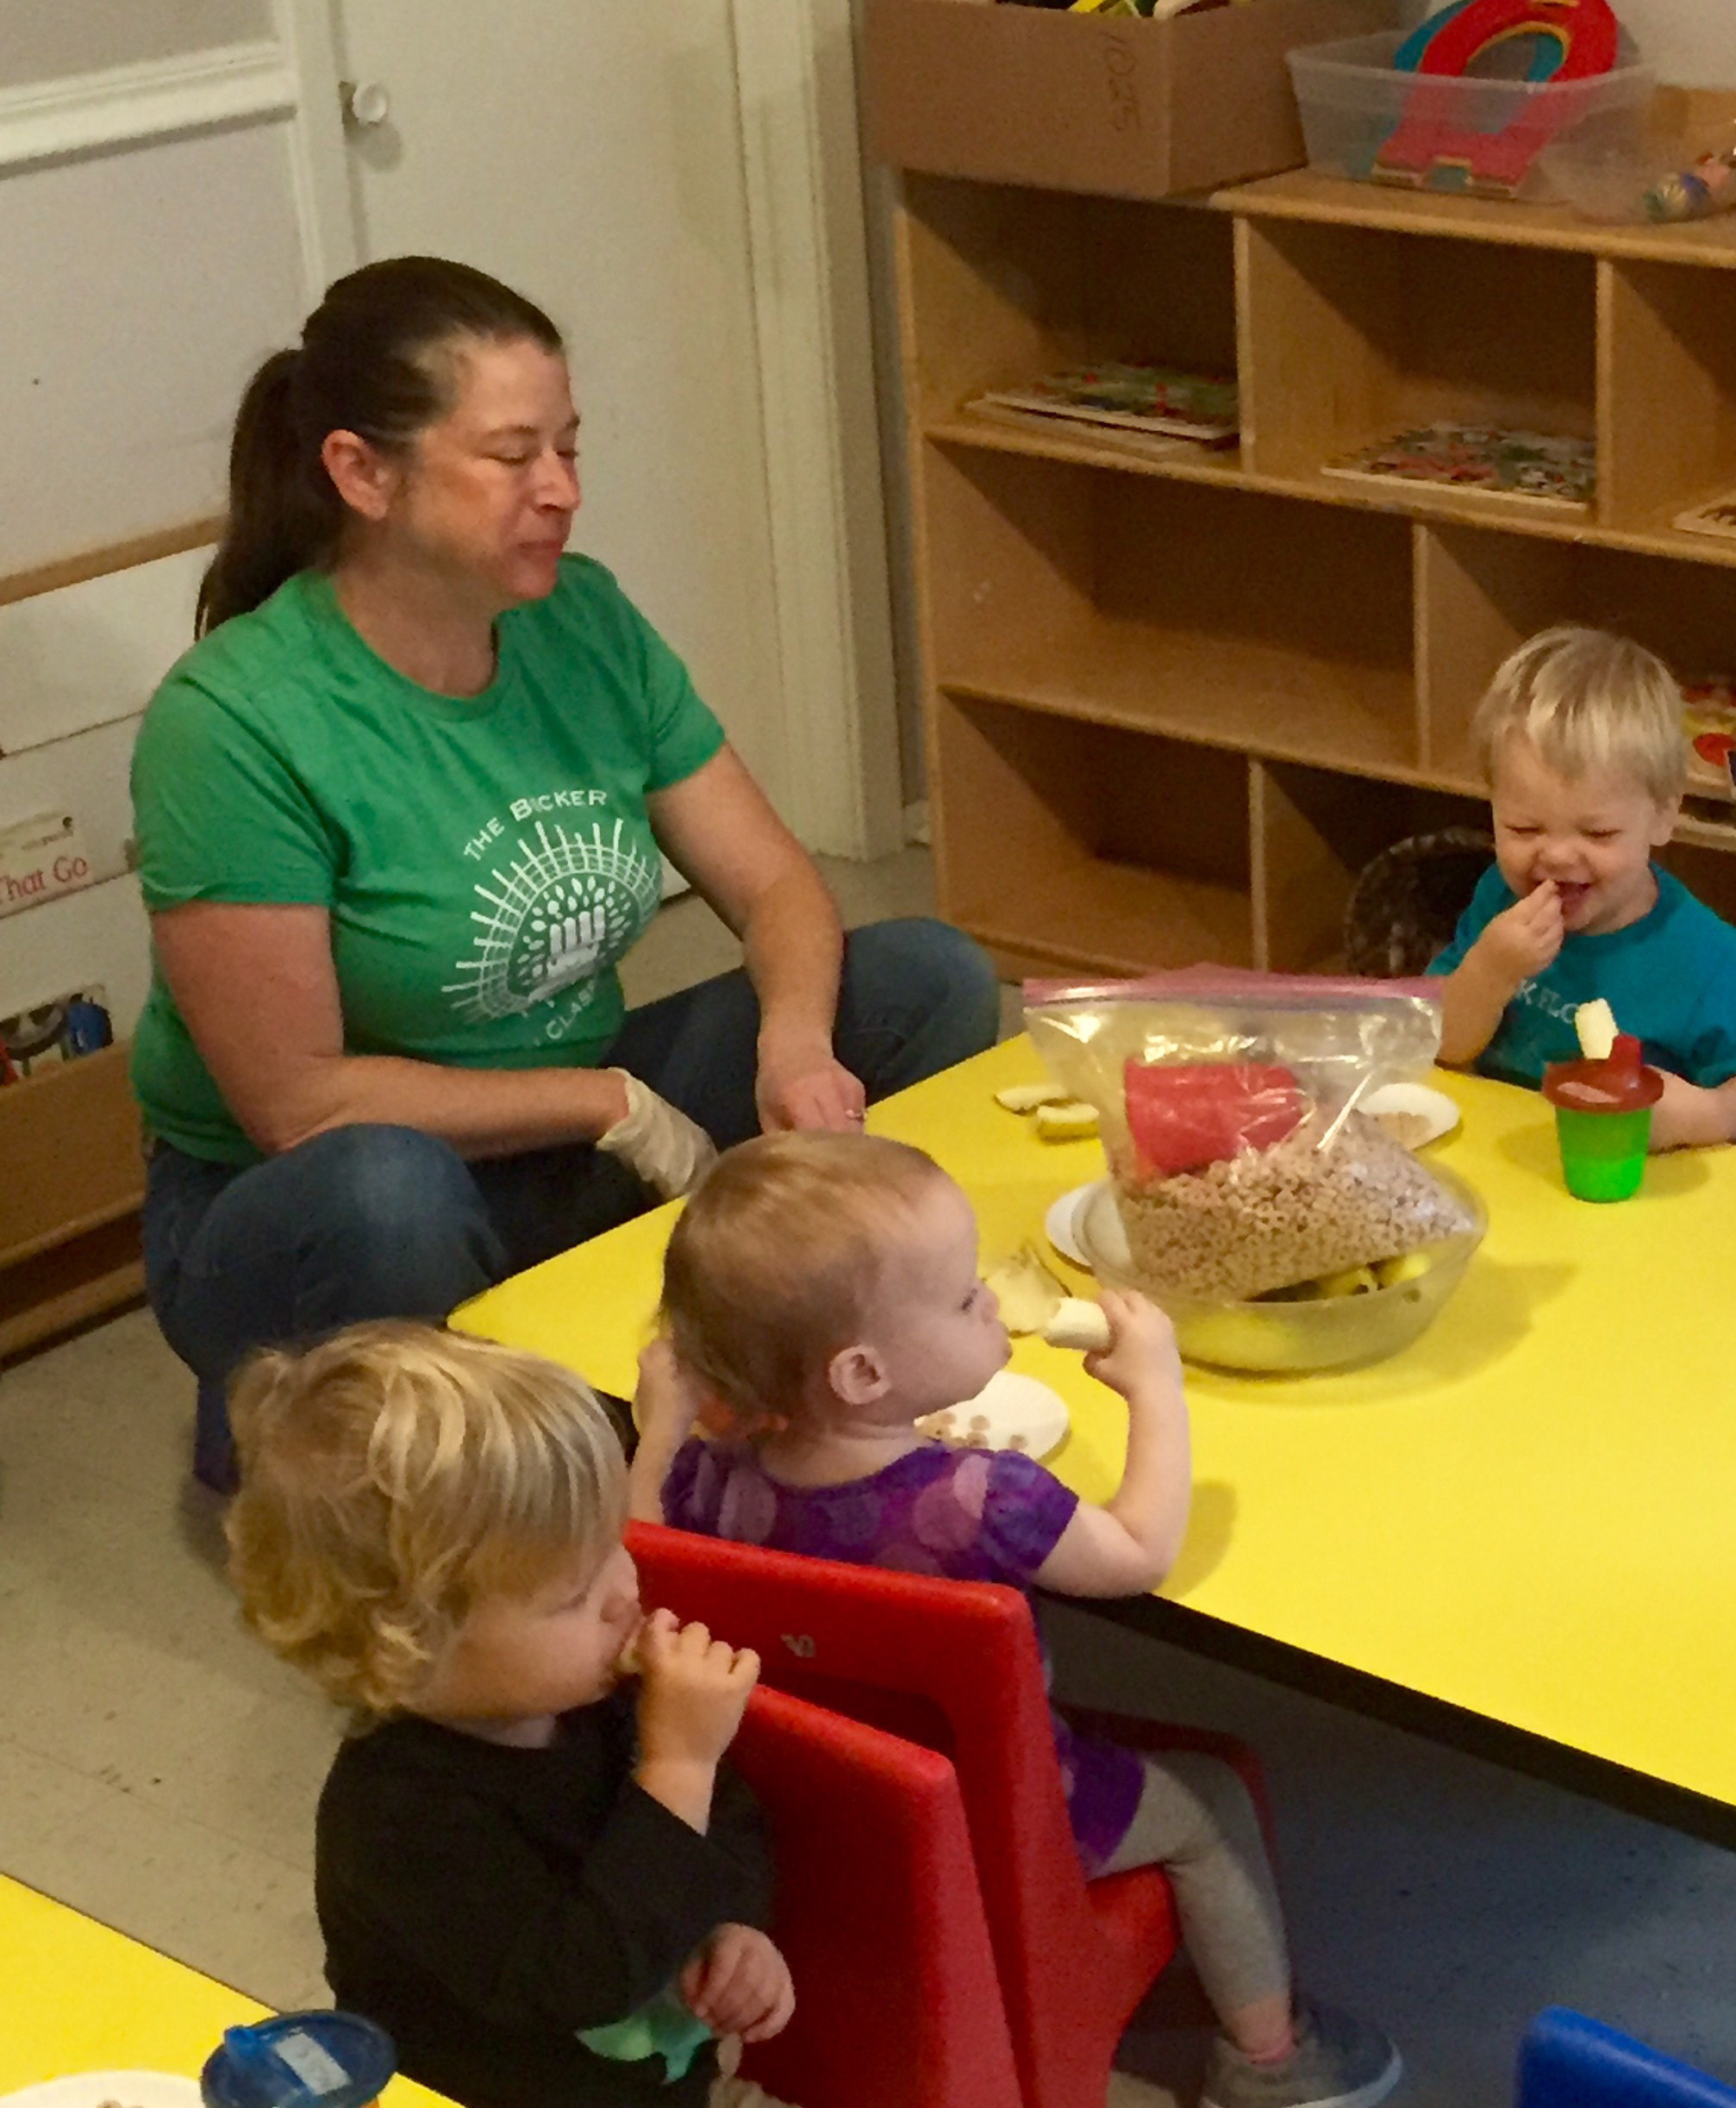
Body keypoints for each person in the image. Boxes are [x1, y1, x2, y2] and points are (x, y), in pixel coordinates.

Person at [133, 256, 999, 1492]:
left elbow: (775, 886)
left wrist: (797, 1047)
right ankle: (316, 1402)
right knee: (389, 1194)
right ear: (362, 474)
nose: (561, 490)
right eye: (511, 456)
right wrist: (610, 1106)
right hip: (305, 1195)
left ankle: (794, 1378)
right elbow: (299, 1105)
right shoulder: (233, 721)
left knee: (926, 976)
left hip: (555, 1136)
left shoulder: (580, 618)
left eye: (569, 448)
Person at [628, 1132, 1403, 2108]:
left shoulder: (708, 1483)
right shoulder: (981, 1499)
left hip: (815, 1809)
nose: (992, 1301)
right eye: (964, 1299)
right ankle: (1270, 2064)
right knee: (1210, 1804)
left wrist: (659, 1431)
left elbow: (640, 1553)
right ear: (862, 1376)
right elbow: (1140, 1553)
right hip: (1000, 1817)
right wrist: (1156, 1388)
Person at [225, 1323, 793, 2108]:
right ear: (412, 1647)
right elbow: (584, 1980)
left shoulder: (598, 1695)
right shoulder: (400, 1817)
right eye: (574, 1595)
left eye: (614, 1547)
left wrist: (733, 1931)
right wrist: (679, 1765)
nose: (626, 1593)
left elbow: (727, 1821)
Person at [1430, 627, 1736, 1149]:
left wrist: (1705, 1115)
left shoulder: (1705, 956)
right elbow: (1442, 1045)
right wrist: (1490, 971)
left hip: (1628, 1174)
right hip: (1503, 1156)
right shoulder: (1500, 902)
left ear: (1663, 815)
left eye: (1597, 833)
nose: (1557, 857)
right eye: (1524, 829)